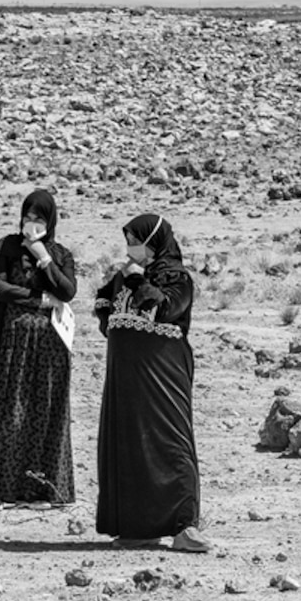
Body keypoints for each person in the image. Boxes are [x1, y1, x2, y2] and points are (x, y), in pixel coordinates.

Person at [94, 211, 204, 548]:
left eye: (136, 241)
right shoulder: (124, 274)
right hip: (127, 375)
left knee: (168, 440)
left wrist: (139, 282)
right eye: (127, 242)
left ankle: (184, 526)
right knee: (129, 443)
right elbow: (105, 305)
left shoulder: (176, 277)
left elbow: (166, 309)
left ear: (154, 242)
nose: (130, 248)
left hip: (162, 373)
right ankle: (136, 528)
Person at [0, 188, 79, 508]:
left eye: (39, 218)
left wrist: (42, 257)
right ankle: (2, 491)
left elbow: (66, 291)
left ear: (50, 220)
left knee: (45, 412)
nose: (32, 222)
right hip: (14, 341)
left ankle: (42, 490)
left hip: (51, 345)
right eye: (28, 216)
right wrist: (36, 299)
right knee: (11, 411)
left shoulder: (60, 254)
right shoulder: (7, 247)